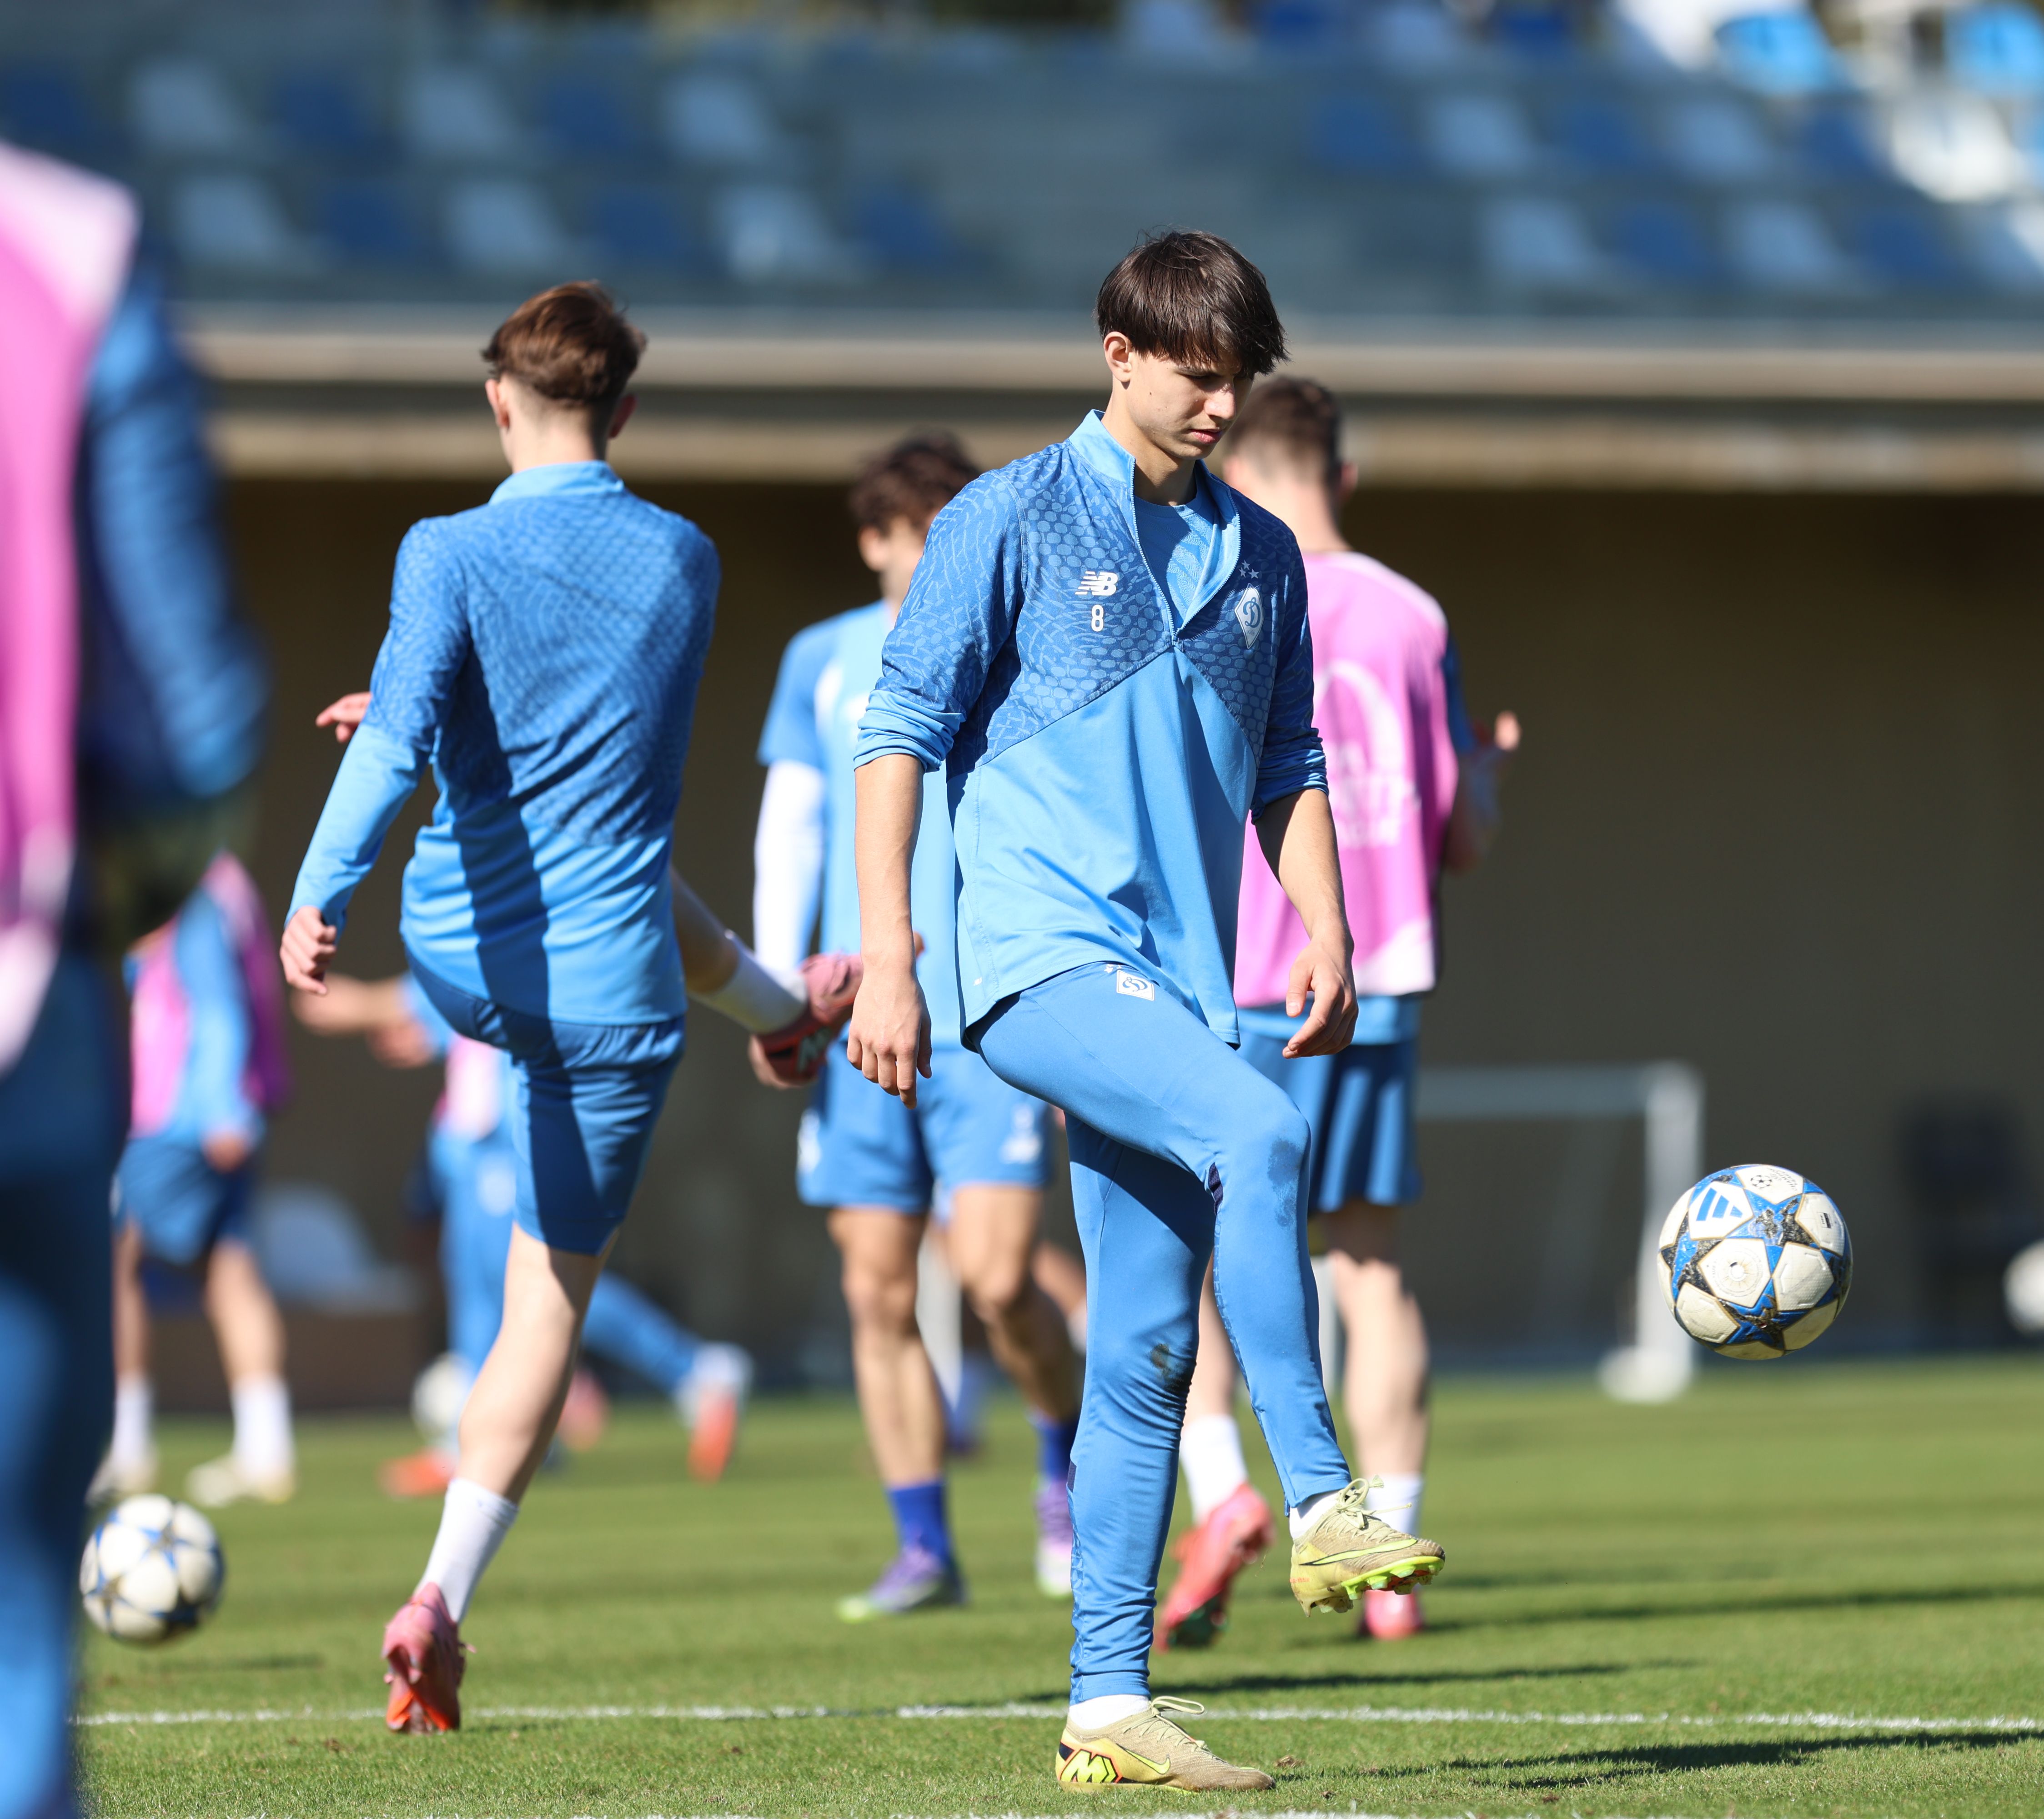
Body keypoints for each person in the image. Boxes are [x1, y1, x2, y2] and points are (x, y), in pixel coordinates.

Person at [846, 230, 1446, 1793]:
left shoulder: (1263, 551)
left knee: (1145, 1353)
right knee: (1261, 1124)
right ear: (1119, 353)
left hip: (1177, 983)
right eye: (1196, 372)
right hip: (1033, 959)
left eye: (1238, 376)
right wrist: (895, 951)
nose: (1219, 402)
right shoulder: (1009, 518)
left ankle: (1108, 1702)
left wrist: (1323, 921)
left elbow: (1290, 763)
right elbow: (898, 731)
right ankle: (1323, 1498)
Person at [281, 281, 851, 1738]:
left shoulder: (446, 548)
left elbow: (414, 739)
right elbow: (593, 740)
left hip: (462, 955)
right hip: (613, 999)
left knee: (604, 863)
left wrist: (317, 887)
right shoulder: (684, 558)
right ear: (628, 410)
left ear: (495, 400)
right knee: (545, 1310)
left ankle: (785, 1012)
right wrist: (438, 708)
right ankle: (441, 1597)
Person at [1158, 376, 1519, 1649]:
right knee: (1370, 1276)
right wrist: (1488, 773)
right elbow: (1461, 839)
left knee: (1194, 1271)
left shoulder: (1221, 590)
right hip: (1374, 989)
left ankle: (1224, 1500)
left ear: (1238, 472)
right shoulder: (1418, 618)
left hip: (1235, 984)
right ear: (1345, 477)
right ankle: (1396, 1572)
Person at [0, 140, 268, 1819]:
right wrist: (121, 895)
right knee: (19, 1602)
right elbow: (196, 732)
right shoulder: (67, 250)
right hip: (24, 991)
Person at [753, 432, 1084, 1618]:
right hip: (855, 1025)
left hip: (987, 1018)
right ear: (877, 542)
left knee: (1000, 1283)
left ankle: (1063, 1468)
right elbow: (790, 821)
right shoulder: (824, 660)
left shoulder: (1021, 650)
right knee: (877, 1294)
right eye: (924, 532)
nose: (949, 554)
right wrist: (774, 982)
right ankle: (924, 1547)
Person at [291, 972, 752, 1497]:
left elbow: (471, 985)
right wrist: (430, 1030)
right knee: (477, 1282)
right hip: (469, 1144)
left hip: (512, 1131)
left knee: (541, 1281)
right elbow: (462, 1012)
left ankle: (696, 1372)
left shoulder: (518, 924)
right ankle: (488, 1436)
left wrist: (368, 1003)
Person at [99, 852, 294, 1508]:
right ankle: (267, 1447)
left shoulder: (193, 885)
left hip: (178, 1116)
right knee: (231, 1270)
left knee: (115, 1263)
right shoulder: (224, 879)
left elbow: (216, 1003)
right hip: (222, 1109)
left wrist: (220, 1109)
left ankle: (126, 1446)